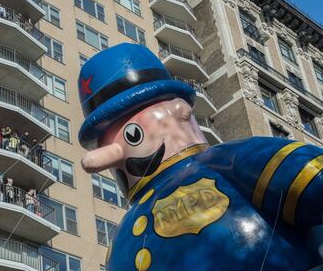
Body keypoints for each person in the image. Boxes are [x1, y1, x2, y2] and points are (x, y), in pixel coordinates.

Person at [77, 44, 323, 270]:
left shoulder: (228, 161)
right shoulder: (123, 234)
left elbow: (308, 176)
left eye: (133, 135)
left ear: (179, 110)